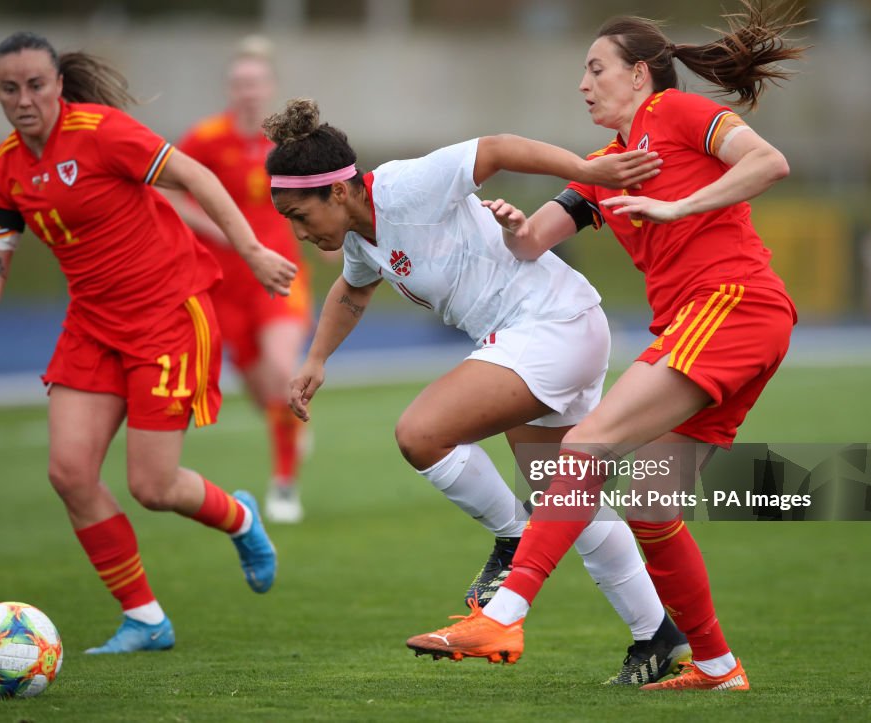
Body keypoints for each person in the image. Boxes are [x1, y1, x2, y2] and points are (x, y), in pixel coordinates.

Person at [406, 2, 805, 691]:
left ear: (641, 75)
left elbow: (769, 162)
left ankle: (504, 611)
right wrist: (507, 225)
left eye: (596, 69)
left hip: (733, 304)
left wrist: (679, 206)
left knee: (586, 445)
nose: (584, 84)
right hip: (716, 322)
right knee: (651, 505)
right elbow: (532, 240)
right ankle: (716, 665)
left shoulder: (677, 111)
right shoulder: (603, 167)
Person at [270, 98, 691, 685]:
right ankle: (657, 636)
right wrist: (316, 358)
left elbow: (494, 149)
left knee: (421, 433)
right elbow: (353, 290)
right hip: (539, 332)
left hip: (549, 326)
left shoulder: (404, 187)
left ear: (338, 192)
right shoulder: (361, 239)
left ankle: (514, 539)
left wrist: (588, 171)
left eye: (299, 215)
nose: (296, 231)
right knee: (568, 504)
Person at [0, 31, 297, 654]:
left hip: (165, 314)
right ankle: (145, 619)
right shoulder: (4, 169)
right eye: (9, 88)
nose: (23, 99)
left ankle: (241, 517)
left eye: (35, 85)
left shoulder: (102, 131)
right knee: (69, 473)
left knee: (153, 487)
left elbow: (193, 176)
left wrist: (249, 250)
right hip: (91, 324)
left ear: (57, 84)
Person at [164, 37, 313, 524]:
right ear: (231, 88)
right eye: (240, 83)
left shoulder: (288, 142)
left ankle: (285, 485)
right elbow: (167, 192)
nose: (249, 91)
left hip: (280, 275)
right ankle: (287, 424)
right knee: (257, 387)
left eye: (256, 83)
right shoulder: (206, 138)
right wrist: (221, 230)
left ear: (269, 88)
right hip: (224, 283)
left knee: (279, 367)